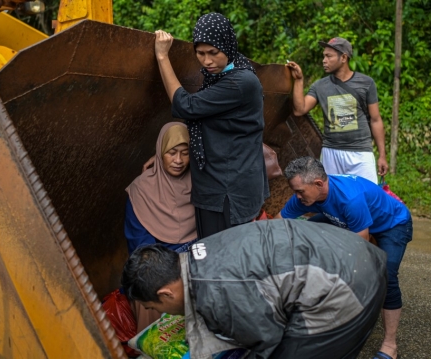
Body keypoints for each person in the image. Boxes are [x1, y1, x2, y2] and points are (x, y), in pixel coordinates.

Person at [121, 219, 387, 359]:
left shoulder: (215, 294)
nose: (159, 313)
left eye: (152, 307)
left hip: (348, 287)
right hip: (353, 251)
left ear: (166, 294)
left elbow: (267, 338)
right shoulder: (195, 254)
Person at [275, 156, 412, 359]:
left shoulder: (349, 198)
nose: (296, 196)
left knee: (386, 276)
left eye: (299, 191)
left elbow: (358, 249)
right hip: (349, 220)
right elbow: (278, 224)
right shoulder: (305, 196)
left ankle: (390, 345)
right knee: (304, 233)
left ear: (318, 184)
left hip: (392, 224)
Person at [152, 12, 269, 238]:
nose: (207, 61)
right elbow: (207, 122)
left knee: (223, 256)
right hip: (222, 183)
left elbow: (186, 106)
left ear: (227, 45)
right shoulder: (227, 72)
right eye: (200, 53)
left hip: (228, 190)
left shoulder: (240, 82)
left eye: (213, 53)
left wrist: (162, 57)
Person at [286, 37, 388, 184]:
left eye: (329, 56)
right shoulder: (320, 86)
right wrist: (299, 80)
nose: (324, 60)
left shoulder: (366, 83)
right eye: (323, 56)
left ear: (343, 58)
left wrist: (382, 155)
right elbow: (299, 110)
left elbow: (376, 119)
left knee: (366, 198)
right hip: (331, 153)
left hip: (361, 154)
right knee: (332, 201)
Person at [125, 121, 197, 255]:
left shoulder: (198, 179)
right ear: (160, 152)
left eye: (185, 153)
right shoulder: (141, 190)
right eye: (172, 152)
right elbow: (142, 247)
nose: (178, 160)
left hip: (202, 247)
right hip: (165, 261)